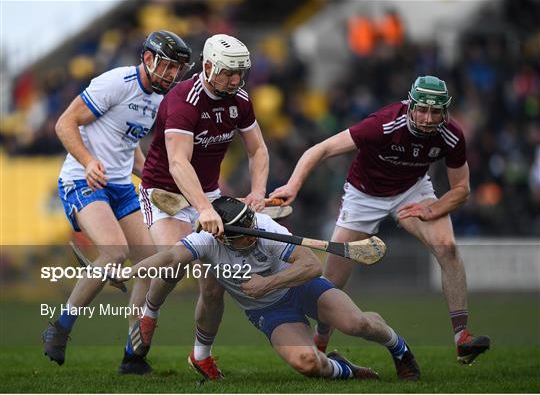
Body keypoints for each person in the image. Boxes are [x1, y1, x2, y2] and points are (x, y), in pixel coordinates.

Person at [270, 75, 491, 365]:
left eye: (435, 112)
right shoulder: (383, 124)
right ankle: (321, 343)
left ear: (445, 111)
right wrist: (292, 186)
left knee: (447, 246)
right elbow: (319, 150)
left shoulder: (451, 134)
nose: (427, 118)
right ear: (410, 106)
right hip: (363, 195)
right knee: (331, 282)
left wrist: (432, 211)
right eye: (421, 110)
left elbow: (462, 190)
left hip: (412, 191)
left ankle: (461, 337)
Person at [116, 196, 421, 381]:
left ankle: (400, 348)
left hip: (301, 286)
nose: (253, 235)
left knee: (358, 323)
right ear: (222, 237)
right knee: (308, 363)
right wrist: (127, 272)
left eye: (252, 225)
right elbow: (169, 257)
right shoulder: (206, 241)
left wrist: (269, 282)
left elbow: (313, 266)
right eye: (244, 235)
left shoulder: (265, 227)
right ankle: (346, 368)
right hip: (268, 310)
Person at [120, 34, 269, 377]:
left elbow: (257, 150)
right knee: (176, 263)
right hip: (165, 192)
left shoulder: (241, 99)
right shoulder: (183, 100)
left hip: (208, 193)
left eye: (240, 73)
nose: (236, 80)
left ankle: (202, 354)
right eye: (229, 72)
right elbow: (178, 164)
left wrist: (258, 191)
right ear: (207, 66)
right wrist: (204, 209)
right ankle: (150, 313)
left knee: (214, 284)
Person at [42, 31, 194, 368]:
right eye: (167, 67)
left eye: (177, 70)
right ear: (149, 59)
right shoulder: (115, 82)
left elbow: (129, 147)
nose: (172, 75)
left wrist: (156, 183)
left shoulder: (158, 99)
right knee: (115, 252)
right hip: (82, 180)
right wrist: (89, 161)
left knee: (151, 265)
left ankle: (132, 356)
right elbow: (66, 123)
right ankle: (60, 328)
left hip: (122, 186)